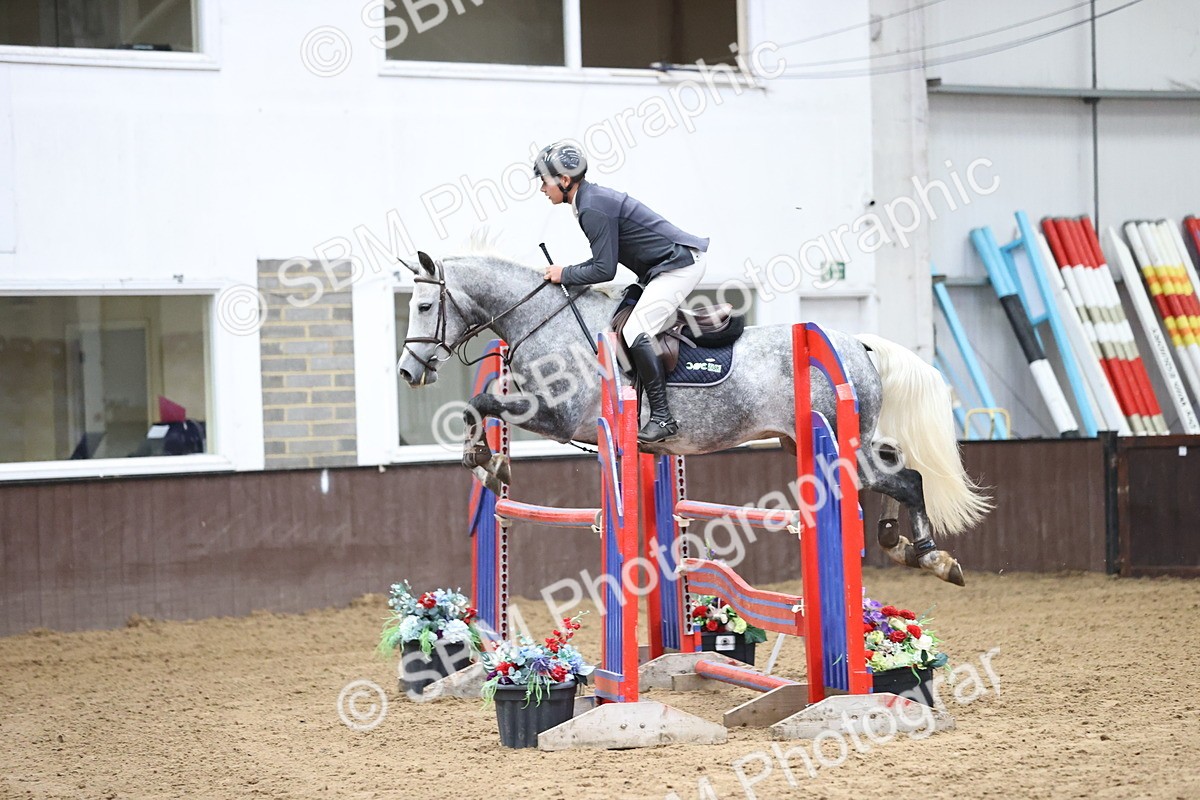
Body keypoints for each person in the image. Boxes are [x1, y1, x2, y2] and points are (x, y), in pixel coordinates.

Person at [534, 141, 709, 444]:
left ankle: (663, 417)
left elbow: (604, 270)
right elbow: (604, 263)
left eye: (544, 181)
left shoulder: (591, 207)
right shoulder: (589, 201)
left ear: (564, 180)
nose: (541, 189)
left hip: (679, 267)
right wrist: (568, 271)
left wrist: (565, 274)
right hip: (663, 268)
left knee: (635, 330)